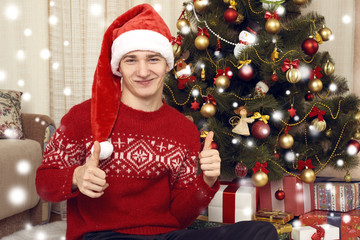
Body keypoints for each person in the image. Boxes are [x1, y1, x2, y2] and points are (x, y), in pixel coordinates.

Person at [36, 3, 278, 240]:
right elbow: (43, 184)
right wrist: (76, 177)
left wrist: (207, 181)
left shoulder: (183, 130)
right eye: (131, 60)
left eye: (153, 59)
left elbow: (180, 217)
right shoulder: (82, 116)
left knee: (261, 232)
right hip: (102, 235)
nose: (143, 71)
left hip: (165, 234)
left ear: (167, 65)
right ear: (118, 66)